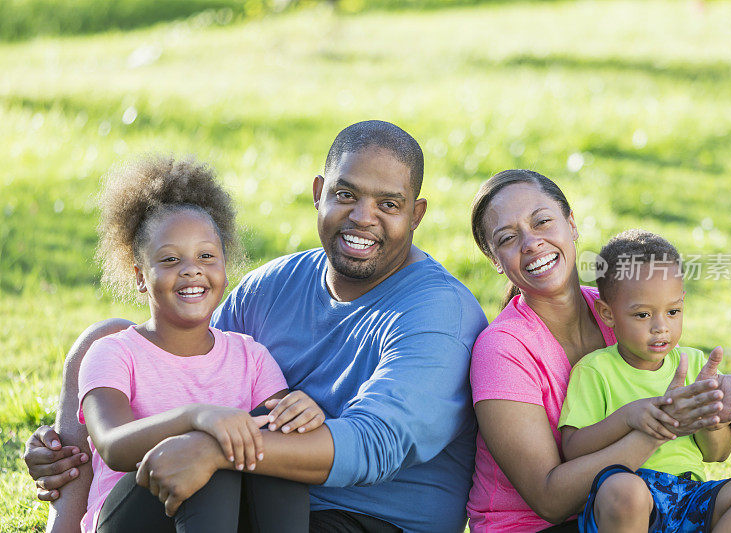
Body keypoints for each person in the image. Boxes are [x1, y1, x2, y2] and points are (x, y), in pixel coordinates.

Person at [25, 120, 488, 533]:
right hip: (255, 498)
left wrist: (216, 449)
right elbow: (193, 364)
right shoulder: (274, 285)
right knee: (100, 338)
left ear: (416, 215)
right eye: (346, 195)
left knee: (228, 464)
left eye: (388, 204)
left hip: (369, 517)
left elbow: (375, 443)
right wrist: (69, 441)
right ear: (318, 192)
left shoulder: (438, 313)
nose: (363, 217)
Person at [466, 169, 731, 532]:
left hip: (662, 502)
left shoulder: (628, 308)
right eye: (508, 238)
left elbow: (716, 452)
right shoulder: (502, 350)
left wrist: (715, 413)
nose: (532, 242)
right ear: (495, 262)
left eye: (543, 222)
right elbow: (549, 501)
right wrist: (659, 426)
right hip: (543, 524)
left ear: (572, 225)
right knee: (627, 495)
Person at [77, 155, 326, 532]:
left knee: (265, 455)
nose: (191, 269)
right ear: (141, 277)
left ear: (225, 266)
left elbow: (278, 436)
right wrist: (195, 417)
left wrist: (302, 415)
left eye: (206, 256)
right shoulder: (114, 353)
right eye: (171, 259)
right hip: (129, 518)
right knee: (203, 454)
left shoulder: (251, 358)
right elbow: (112, 446)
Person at [558, 229, 731, 533]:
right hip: (633, 496)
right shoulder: (596, 370)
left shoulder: (697, 365)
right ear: (607, 314)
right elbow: (572, 448)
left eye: (673, 311)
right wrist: (629, 417)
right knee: (624, 490)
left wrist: (723, 416)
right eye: (642, 315)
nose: (661, 327)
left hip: (689, 495)